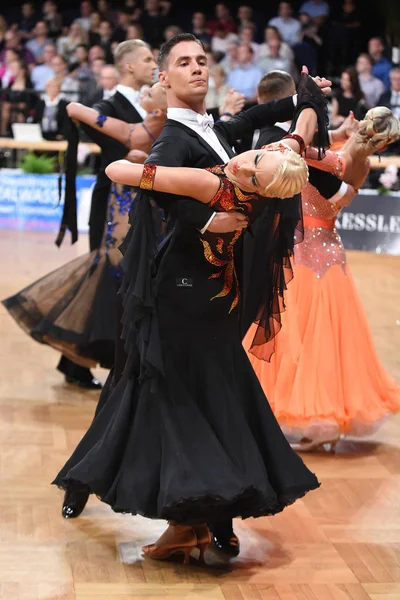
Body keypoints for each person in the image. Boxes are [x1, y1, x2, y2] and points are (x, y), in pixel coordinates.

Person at [52, 33, 332, 561]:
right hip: (181, 290)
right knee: (173, 397)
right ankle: (191, 514)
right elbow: (155, 190)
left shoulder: (220, 129)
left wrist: (305, 97)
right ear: (164, 78)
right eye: (184, 62)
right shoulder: (172, 140)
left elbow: (270, 110)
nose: (197, 68)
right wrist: (207, 219)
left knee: (204, 394)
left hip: (217, 290)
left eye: (203, 60)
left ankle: (207, 514)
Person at [245, 106, 400, 451]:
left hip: (303, 254)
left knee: (300, 338)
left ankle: (314, 419)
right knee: (331, 338)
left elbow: (291, 148)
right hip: (331, 254)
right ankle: (324, 421)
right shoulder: (348, 161)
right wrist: (350, 134)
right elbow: (339, 160)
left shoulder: (319, 159)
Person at [2, 82, 167, 383]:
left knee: (114, 279)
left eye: (150, 92)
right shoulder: (149, 118)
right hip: (128, 216)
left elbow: (124, 132)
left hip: (132, 220)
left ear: (158, 106)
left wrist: (78, 109)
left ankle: (119, 361)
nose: (145, 91)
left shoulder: (151, 124)